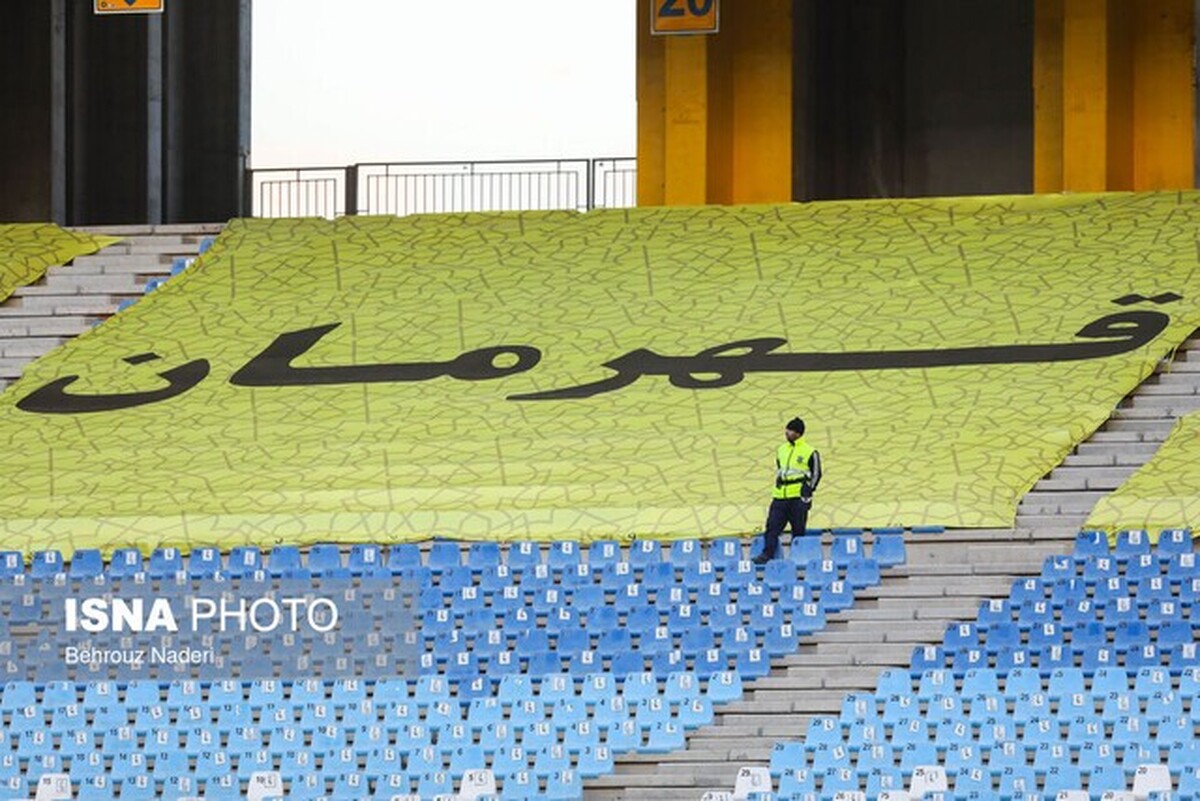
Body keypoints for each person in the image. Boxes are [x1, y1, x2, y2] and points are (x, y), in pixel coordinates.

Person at [754, 416, 822, 564]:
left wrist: (809, 490)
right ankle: (767, 554)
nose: (787, 432)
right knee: (772, 526)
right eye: (787, 429)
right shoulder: (781, 450)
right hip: (780, 496)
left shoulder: (810, 451)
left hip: (798, 497)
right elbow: (780, 469)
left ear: (798, 433)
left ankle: (797, 557)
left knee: (798, 530)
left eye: (790, 430)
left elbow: (816, 473)